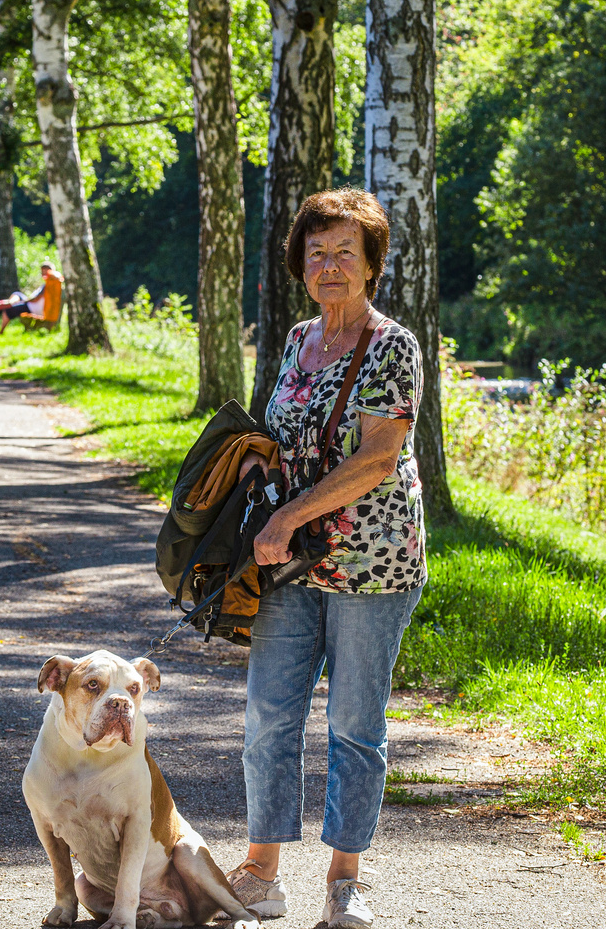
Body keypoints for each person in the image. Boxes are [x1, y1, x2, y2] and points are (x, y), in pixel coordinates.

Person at [225, 188, 426, 929]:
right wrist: (252, 486)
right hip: (288, 562)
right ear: (299, 265)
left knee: (353, 723)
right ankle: (261, 872)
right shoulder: (295, 340)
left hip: (373, 562)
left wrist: (287, 514)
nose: (330, 265)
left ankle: (346, 883)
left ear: (371, 264)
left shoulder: (393, 345)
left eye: (346, 251)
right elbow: (275, 438)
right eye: (316, 252)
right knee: (269, 716)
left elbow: (377, 459)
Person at [0, 261, 61, 334]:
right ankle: (11, 302)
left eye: (45, 272)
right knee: (17, 294)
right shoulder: (49, 284)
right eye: (42, 272)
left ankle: (1, 331)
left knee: (8, 310)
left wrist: (24, 301)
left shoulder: (50, 284)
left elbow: (35, 299)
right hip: (34, 305)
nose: (43, 274)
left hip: (33, 307)